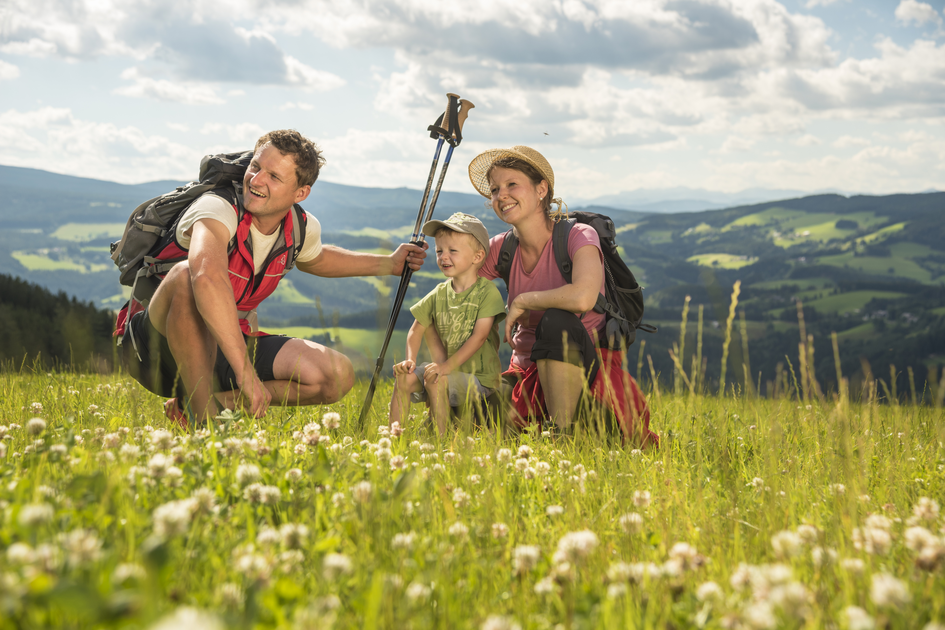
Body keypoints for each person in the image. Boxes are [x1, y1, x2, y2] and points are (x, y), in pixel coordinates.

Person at [119, 129, 427, 425]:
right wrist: (245, 373)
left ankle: (202, 408)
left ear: (300, 193)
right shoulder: (217, 208)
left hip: (225, 344)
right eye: (255, 166)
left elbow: (317, 258)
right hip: (153, 348)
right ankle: (206, 426)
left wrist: (389, 264)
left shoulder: (300, 227)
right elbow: (205, 277)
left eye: (274, 176)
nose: (256, 179)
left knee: (337, 374)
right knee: (187, 275)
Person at [468, 145, 657, 445]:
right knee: (467, 418)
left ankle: (563, 436)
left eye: (511, 184)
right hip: (526, 371)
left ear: (541, 189)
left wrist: (523, 301)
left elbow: (583, 297)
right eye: (494, 190)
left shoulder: (578, 235)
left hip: (585, 369)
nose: (500, 195)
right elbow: (460, 285)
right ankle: (547, 424)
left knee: (556, 320)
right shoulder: (500, 249)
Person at [389, 213, 506, 435]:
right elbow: (416, 330)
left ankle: (441, 441)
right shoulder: (439, 292)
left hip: (480, 378)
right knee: (404, 380)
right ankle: (394, 438)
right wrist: (410, 361)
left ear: (477, 256)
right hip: (447, 372)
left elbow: (479, 337)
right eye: (439, 251)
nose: (444, 257)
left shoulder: (487, 292)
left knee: (436, 380)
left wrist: (445, 368)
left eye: (453, 251)